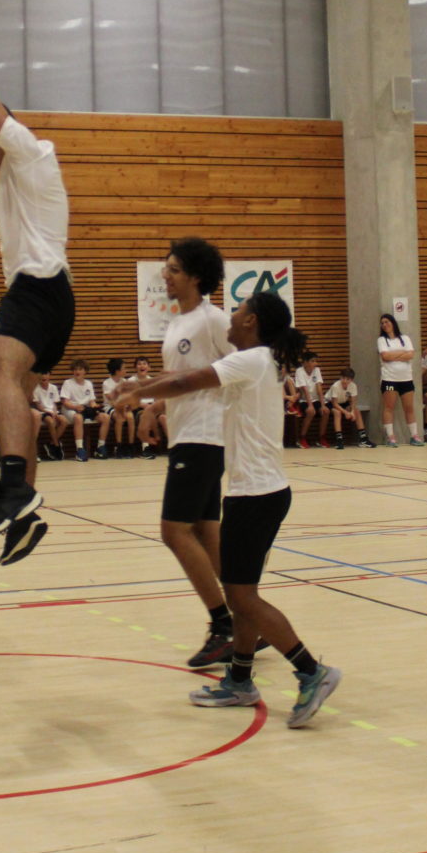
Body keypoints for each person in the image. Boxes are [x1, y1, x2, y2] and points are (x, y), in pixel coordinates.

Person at [117, 287, 340, 728]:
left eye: (238, 310)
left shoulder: (251, 360)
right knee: (242, 592)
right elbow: (188, 378)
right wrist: (146, 391)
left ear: (252, 321)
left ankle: (311, 671)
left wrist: (136, 394)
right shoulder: (255, 363)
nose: (231, 317)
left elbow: (186, 382)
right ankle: (239, 679)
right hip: (258, 493)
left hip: (256, 497)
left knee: (242, 597)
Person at [0, 8, 74, 565]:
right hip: (52, 297)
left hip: (38, 286)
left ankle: (11, 487)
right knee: (18, 400)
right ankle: (25, 515)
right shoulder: (14, 178)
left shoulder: (29, 151)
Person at [152, 238, 236, 670]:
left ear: (196, 277)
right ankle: (246, 616)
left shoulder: (213, 320)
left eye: (174, 269)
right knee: (206, 534)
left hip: (205, 436)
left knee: (173, 531)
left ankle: (223, 625)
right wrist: (151, 406)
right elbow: (178, 378)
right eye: (166, 268)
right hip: (186, 434)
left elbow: (240, 370)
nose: (165, 275)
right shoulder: (177, 324)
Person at [377, 314, 423, 445]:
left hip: (406, 380)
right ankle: (390, 437)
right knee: (389, 407)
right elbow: (385, 356)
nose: (385, 325)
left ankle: (414, 436)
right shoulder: (381, 340)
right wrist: (402, 354)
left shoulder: (405, 338)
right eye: (382, 323)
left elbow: (411, 354)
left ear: (393, 323)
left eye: (387, 322)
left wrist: (393, 355)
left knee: (409, 408)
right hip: (390, 380)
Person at [59, 361, 98, 462]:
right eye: (75, 369)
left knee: (105, 417)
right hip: (70, 409)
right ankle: (79, 449)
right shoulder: (68, 383)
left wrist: (95, 406)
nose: (77, 371)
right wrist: (75, 407)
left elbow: (91, 401)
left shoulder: (88, 383)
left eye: (80, 369)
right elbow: (65, 402)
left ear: (85, 371)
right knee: (78, 418)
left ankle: (101, 447)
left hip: (84, 409)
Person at [325, 365, 364, 447]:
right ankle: (339, 440)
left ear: (351, 380)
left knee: (356, 411)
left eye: (348, 379)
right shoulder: (336, 386)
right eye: (343, 378)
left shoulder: (353, 386)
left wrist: (352, 412)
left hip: (343, 402)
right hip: (330, 402)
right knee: (337, 413)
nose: (345, 381)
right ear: (340, 377)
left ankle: (364, 439)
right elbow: (334, 404)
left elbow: (353, 401)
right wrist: (345, 412)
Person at [31, 374, 66, 462]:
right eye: (42, 375)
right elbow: (38, 405)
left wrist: (54, 412)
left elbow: (54, 404)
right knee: (51, 422)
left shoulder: (53, 388)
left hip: (53, 411)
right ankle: (56, 445)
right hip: (43, 412)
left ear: (49, 376)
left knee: (64, 421)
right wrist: (47, 412)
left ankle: (51, 444)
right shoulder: (36, 389)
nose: (44, 377)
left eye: (46, 374)